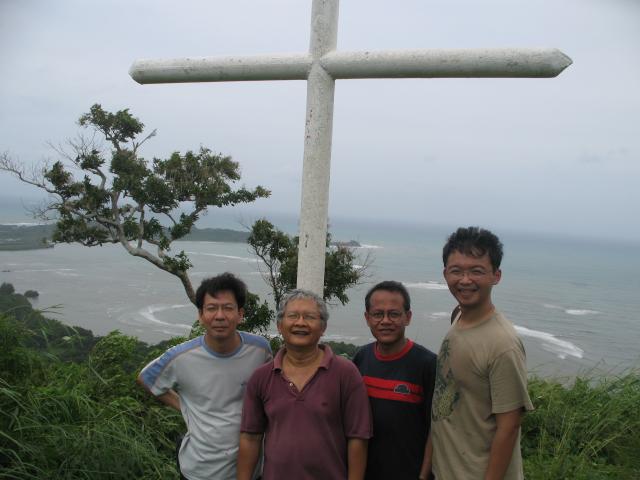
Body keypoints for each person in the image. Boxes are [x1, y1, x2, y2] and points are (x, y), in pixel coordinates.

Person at [137, 272, 272, 480]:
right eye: (211, 308)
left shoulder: (259, 350)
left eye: (228, 308)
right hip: (199, 471)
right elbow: (146, 378)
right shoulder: (181, 357)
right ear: (201, 315)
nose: (220, 316)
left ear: (240, 314)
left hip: (250, 471)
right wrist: (184, 405)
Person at [430, 227, 534, 480]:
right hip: (445, 470)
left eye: (476, 271)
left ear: (496, 276)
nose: (465, 280)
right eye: (457, 271)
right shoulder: (459, 317)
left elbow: (509, 427)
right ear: (445, 274)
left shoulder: (503, 344)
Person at [237, 289, 372, 480]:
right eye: (293, 316)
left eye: (309, 317)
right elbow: (251, 437)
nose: (300, 323)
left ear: (323, 327)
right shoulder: (262, 377)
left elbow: (358, 438)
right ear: (279, 325)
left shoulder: (346, 373)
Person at [353, 281, 437, 480]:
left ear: (407, 317)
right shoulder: (361, 358)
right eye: (377, 314)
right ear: (367, 318)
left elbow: (437, 430)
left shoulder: (427, 364)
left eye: (394, 314)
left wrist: (424, 476)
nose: (385, 320)